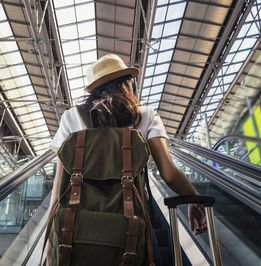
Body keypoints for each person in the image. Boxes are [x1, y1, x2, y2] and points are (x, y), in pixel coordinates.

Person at [47, 54, 207, 264]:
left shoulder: (72, 117)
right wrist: (194, 197)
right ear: (126, 83)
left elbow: (59, 183)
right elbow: (168, 173)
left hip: (76, 229)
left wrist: (50, 244)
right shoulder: (145, 115)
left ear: (93, 89)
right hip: (132, 226)